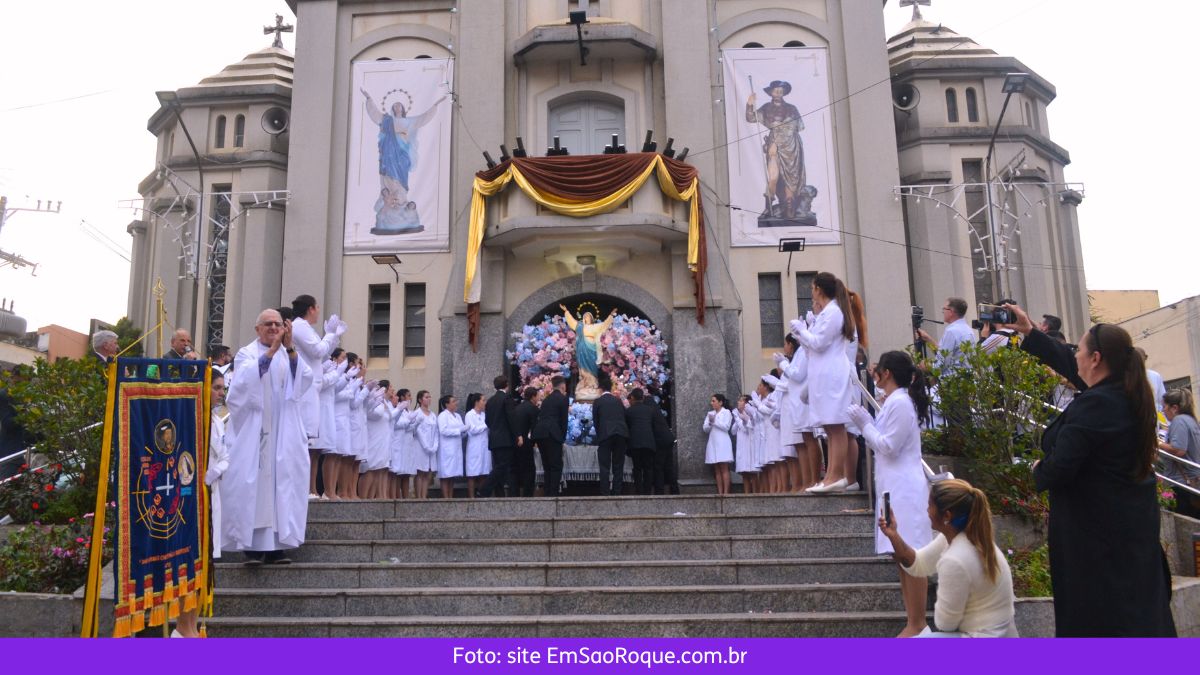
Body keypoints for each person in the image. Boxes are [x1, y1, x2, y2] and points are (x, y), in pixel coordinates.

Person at [1002, 303, 1176, 636]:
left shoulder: (1098, 404)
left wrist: (1040, 467)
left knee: (1104, 629)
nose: (1074, 355)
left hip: (1099, 549)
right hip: (1124, 539)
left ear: (1096, 359)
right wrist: (1031, 332)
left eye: (1078, 350)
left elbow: (1059, 467)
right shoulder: (1121, 394)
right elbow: (1073, 365)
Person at [848, 350, 933, 637]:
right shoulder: (894, 402)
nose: (875, 376)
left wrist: (865, 425)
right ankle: (913, 621)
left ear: (887, 373)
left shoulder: (900, 403)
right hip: (894, 486)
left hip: (905, 490)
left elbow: (888, 446)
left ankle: (918, 623)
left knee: (911, 555)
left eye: (878, 371)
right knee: (901, 556)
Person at [222, 309, 314, 566]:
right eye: (268, 324)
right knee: (252, 486)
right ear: (257, 328)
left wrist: (290, 348)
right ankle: (251, 550)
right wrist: (272, 351)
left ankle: (277, 548)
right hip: (256, 431)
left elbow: (304, 379)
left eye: (278, 324)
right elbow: (241, 386)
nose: (274, 328)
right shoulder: (246, 353)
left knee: (282, 484)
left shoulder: (289, 353)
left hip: (283, 430)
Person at [879, 479, 1017, 637]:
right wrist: (893, 535)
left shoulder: (955, 558)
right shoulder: (967, 537)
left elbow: (945, 623)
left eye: (930, 505)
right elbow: (919, 564)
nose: (926, 509)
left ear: (947, 515)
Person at [173, 371, 231, 637]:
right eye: (217, 387)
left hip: (211, 492)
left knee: (206, 564)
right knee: (191, 562)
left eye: (223, 388)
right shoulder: (188, 419)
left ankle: (192, 625)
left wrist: (217, 470)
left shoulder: (217, 421)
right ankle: (183, 628)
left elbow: (226, 454)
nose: (221, 393)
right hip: (190, 497)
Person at [792, 272, 856, 493]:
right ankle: (830, 475)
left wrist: (802, 331)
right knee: (829, 426)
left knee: (836, 425)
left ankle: (836, 475)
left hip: (832, 374)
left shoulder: (834, 313)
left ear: (819, 288)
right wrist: (802, 335)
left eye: (812, 288)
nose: (811, 292)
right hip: (822, 374)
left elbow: (819, 343)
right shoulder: (827, 313)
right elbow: (813, 347)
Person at [289, 295, 345, 498]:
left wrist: (333, 336)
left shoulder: (304, 327)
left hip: (311, 387)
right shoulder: (301, 326)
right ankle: (303, 489)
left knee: (308, 438)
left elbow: (320, 352)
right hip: (305, 388)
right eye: (317, 307)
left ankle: (305, 488)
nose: (319, 310)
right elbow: (317, 350)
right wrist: (329, 334)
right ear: (310, 309)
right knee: (304, 438)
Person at [745, 79, 806, 220]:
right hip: (773, 147)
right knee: (773, 177)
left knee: (791, 178)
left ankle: (789, 209)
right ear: (771, 93)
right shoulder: (766, 108)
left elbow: (794, 128)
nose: (778, 93)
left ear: (784, 93)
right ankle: (768, 207)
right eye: (775, 90)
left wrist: (776, 143)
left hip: (791, 146)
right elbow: (751, 118)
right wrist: (749, 103)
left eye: (781, 90)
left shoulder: (792, 108)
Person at [560, 304, 618, 399]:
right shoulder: (580, 326)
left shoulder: (595, 327)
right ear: (583, 318)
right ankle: (584, 385)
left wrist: (611, 315)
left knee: (592, 368)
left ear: (591, 318)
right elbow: (571, 322)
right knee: (582, 369)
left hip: (592, 350)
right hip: (582, 350)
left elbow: (604, 325)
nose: (587, 318)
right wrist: (566, 311)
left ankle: (593, 385)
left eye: (588, 316)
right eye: (585, 316)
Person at [1160, 388, 1200, 518]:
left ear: (1174, 408)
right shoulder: (1191, 420)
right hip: (1191, 480)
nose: (1163, 410)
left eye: (1164, 406)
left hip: (1182, 483)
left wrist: (1158, 444)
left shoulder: (1179, 421)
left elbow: (1178, 450)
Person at [592, 371, 629, 496]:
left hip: (605, 434)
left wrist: (600, 435)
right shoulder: (618, 401)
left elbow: (596, 421)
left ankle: (605, 493)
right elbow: (625, 415)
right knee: (618, 465)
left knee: (604, 465)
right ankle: (617, 492)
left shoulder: (598, 402)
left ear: (601, 389)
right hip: (621, 434)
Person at [481, 376, 518, 497]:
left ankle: (499, 493)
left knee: (498, 465)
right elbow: (511, 418)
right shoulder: (507, 398)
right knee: (502, 466)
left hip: (494, 438)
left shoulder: (490, 400)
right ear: (506, 385)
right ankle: (484, 488)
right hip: (505, 439)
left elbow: (487, 421)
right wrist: (517, 435)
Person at [532, 376, 569, 496]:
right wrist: (562, 438)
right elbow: (564, 420)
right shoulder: (563, 399)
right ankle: (553, 495)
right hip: (552, 434)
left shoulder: (546, 399)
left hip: (540, 434)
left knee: (547, 465)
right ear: (563, 386)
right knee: (556, 465)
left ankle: (547, 492)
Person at [916, 297, 973, 373]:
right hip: (965, 379)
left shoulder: (952, 331)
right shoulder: (967, 329)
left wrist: (926, 365)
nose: (943, 312)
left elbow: (942, 364)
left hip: (951, 381)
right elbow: (947, 353)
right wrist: (927, 338)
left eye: (944, 309)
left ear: (951, 311)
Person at [624, 388, 659, 496]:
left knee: (637, 468)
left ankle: (639, 491)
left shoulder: (629, 411)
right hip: (649, 442)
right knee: (648, 468)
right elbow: (654, 426)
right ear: (643, 398)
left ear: (633, 398)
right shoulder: (650, 410)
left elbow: (627, 427)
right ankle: (647, 491)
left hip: (635, 443)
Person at [364, 381, 394, 498]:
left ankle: (381, 496)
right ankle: (365, 497)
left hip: (384, 439)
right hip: (374, 438)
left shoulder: (386, 402)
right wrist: (379, 401)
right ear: (384, 389)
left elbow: (390, 417)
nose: (392, 389)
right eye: (391, 387)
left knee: (382, 469)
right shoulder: (376, 402)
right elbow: (376, 414)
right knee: (372, 469)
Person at [510, 387, 540, 497]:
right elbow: (534, 428)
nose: (539, 398)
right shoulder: (533, 409)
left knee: (516, 468)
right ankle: (528, 493)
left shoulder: (517, 408)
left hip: (516, 441)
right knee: (529, 469)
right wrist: (535, 442)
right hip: (526, 442)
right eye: (538, 395)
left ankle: (515, 493)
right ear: (533, 397)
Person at [702, 394, 734, 494]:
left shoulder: (726, 412)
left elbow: (726, 427)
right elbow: (705, 428)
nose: (712, 403)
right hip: (713, 441)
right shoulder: (710, 413)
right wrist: (709, 424)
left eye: (714, 401)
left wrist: (714, 421)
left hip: (723, 442)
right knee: (717, 468)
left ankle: (726, 492)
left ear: (720, 402)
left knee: (724, 467)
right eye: (711, 401)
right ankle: (720, 492)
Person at [437, 394, 466, 498]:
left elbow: (461, 430)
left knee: (452, 474)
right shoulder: (443, 416)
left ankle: (451, 496)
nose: (456, 403)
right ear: (447, 404)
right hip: (447, 449)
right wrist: (459, 430)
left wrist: (465, 431)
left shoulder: (457, 416)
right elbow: (443, 431)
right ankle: (445, 498)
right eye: (453, 401)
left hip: (456, 448)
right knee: (446, 474)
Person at [463, 393, 491, 498]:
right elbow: (473, 430)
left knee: (484, 472)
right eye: (483, 400)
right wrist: (486, 425)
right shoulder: (469, 415)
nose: (485, 402)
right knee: (472, 473)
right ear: (476, 402)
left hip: (484, 446)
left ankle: (481, 495)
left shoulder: (484, 415)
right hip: (474, 447)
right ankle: (471, 497)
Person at [411, 390, 438, 499]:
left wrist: (435, 445)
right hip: (420, 446)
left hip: (431, 447)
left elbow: (436, 431)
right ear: (420, 400)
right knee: (420, 472)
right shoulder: (417, 413)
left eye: (430, 396)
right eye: (426, 397)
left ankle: (424, 495)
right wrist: (426, 446)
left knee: (427, 472)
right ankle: (419, 497)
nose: (429, 399)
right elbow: (418, 431)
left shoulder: (432, 414)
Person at [388, 388, 415, 499]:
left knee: (405, 472)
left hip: (407, 444)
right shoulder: (398, 410)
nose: (410, 398)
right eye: (408, 395)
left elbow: (409, 428)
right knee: (396, 473)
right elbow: (396, 424)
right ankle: (395, 496)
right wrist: (409, 420)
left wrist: (414, 422)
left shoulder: (407, 411)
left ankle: (405, 497)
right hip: (398, 442)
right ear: (402, 397)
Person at [732, 395, 759, 493]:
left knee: (752, 472)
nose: (738, 402)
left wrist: (743, 418)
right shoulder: (738, 415)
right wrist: (736, 418)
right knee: (744, 472)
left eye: (741, 400)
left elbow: (749, 428)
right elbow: (733, 431)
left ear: (746, 403)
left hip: (749, 445)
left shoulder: (751, 414)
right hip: (741, 446)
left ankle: (756, 493)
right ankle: (746, 494)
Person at [1134, 348, 1167, 412]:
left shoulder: (1155, 376)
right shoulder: (1125, 377)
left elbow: (1162, 401)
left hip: (1154, 417)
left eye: (1141, 357)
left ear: (1145, 358)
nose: (1139, 360)